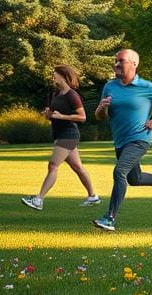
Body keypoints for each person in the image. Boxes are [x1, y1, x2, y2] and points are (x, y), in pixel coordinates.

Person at [91, 49, 152, 232]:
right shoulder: (109, 87)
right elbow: (100, 117)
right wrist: (101, 109)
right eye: (115, 61)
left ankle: (109, 218)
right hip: (120, 140)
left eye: (120, 61)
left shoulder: (145, 86)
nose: (116, 64)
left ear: (134, 64)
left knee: (120, 172)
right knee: (134, 179)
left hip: (139, 138)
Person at [21, 65, 100, 211]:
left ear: (64, 76)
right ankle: (92, 196)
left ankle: (38, 199)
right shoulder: (54, 94)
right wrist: (47, 114)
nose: (53, 76)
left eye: (55, 74)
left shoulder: (72, 95)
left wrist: (62, 116)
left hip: (69, 134)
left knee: (53, 165)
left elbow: (82, 117)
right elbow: (52, 114)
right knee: (77, 167)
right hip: (58, 134)